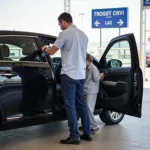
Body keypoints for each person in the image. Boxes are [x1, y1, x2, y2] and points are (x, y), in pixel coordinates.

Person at [41, 12, 92, 145]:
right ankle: (87, 133)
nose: (59, 26)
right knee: (82, 104)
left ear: (64, 21)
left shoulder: (65, 34)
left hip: (69, 74)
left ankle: (74, 136)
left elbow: (52, 51)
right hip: (81, 75)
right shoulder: (83, 35)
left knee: (70, 106)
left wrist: (45, 48)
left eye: (59, 23)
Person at [79, 54, 104, 134]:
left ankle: (95, 126)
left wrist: (101, 76)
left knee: (89, 109)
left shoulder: (93, 68)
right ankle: (87, 125)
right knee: (85, 109)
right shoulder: (86, 67)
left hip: (91, 91)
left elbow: (96, 79)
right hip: (86, 90)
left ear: (87, 61)